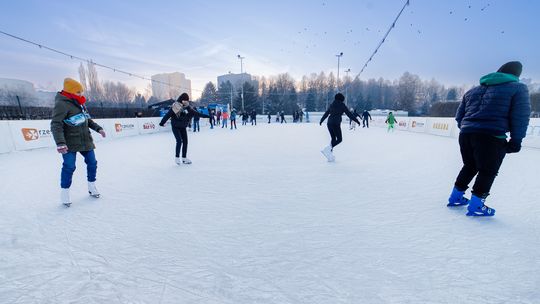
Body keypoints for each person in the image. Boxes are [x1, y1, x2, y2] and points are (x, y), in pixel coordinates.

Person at [447, 61, 530, 216]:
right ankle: (477, 205)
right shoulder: (518, 88)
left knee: (470, 165)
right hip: (492, 136)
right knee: (488, 170)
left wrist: (469, 129)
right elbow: (520, 116)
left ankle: (455, 197)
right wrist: (516, 140)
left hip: (466, 135)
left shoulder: (473, 91)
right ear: (516, 75)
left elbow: (460, 117)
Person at [51, 78, 106, 207]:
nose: (81, 94)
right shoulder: (62, 104)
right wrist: (60, 143)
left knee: (92, 163)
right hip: (69, 142)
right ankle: (65, 192)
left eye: (81, 91)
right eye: (78, 92)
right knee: (69, 166)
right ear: (70, 92)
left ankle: (92, 186)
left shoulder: (80, 103)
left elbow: (88, 120)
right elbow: (56, 124)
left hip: (85, 140)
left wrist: (98, 128)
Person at [159, 93, 210, 165]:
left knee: (185, 141)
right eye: (185, 100)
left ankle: (184, 158)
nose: (186, 102)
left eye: (187, 100)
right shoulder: (176, 106)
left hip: (182, 126)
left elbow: (197, 114)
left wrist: (208, 116)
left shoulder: (187, 107)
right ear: (182, 100)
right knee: (179, 141)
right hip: (175, 126)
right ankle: (177, 158)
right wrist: (162, 123)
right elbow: (168, 115)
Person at [319, 93, 361, 162]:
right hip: (336, 123)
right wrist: (356, 120)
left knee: (333, 138)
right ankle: (328, 149)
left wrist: (321, 120)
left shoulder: (332, 104)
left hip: (329, 123)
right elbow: (349, 114)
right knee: (339, 139)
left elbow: (326, 113)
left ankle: (329, 154)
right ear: (342, 99)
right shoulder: (342, 105)